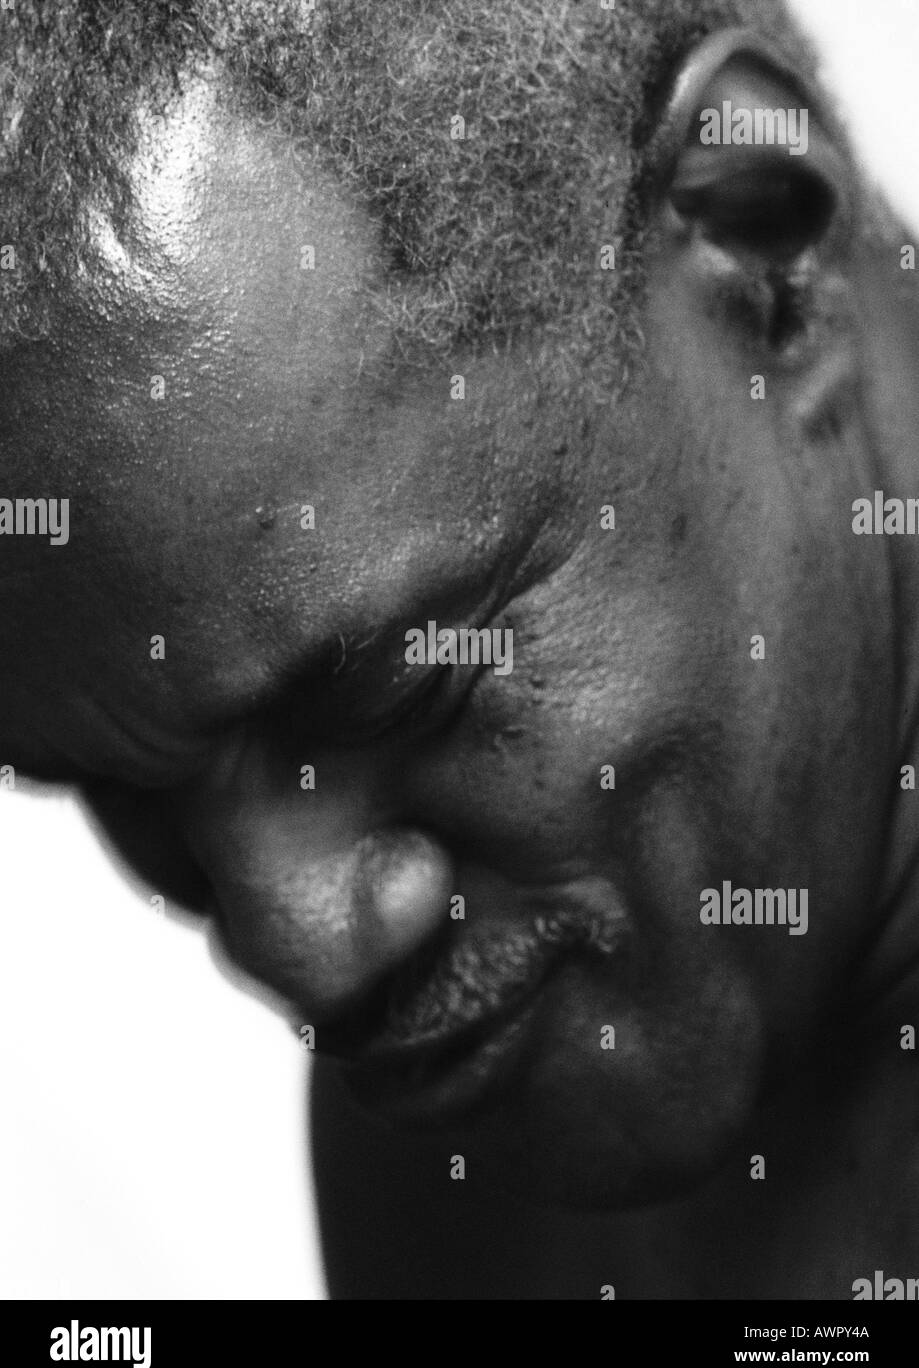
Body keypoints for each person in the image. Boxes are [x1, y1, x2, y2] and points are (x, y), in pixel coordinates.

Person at [1, 0, 917, 1299]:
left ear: (757, 227)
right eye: (132, 786)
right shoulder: (484, 1091)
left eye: (403, 689)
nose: (302, 949)